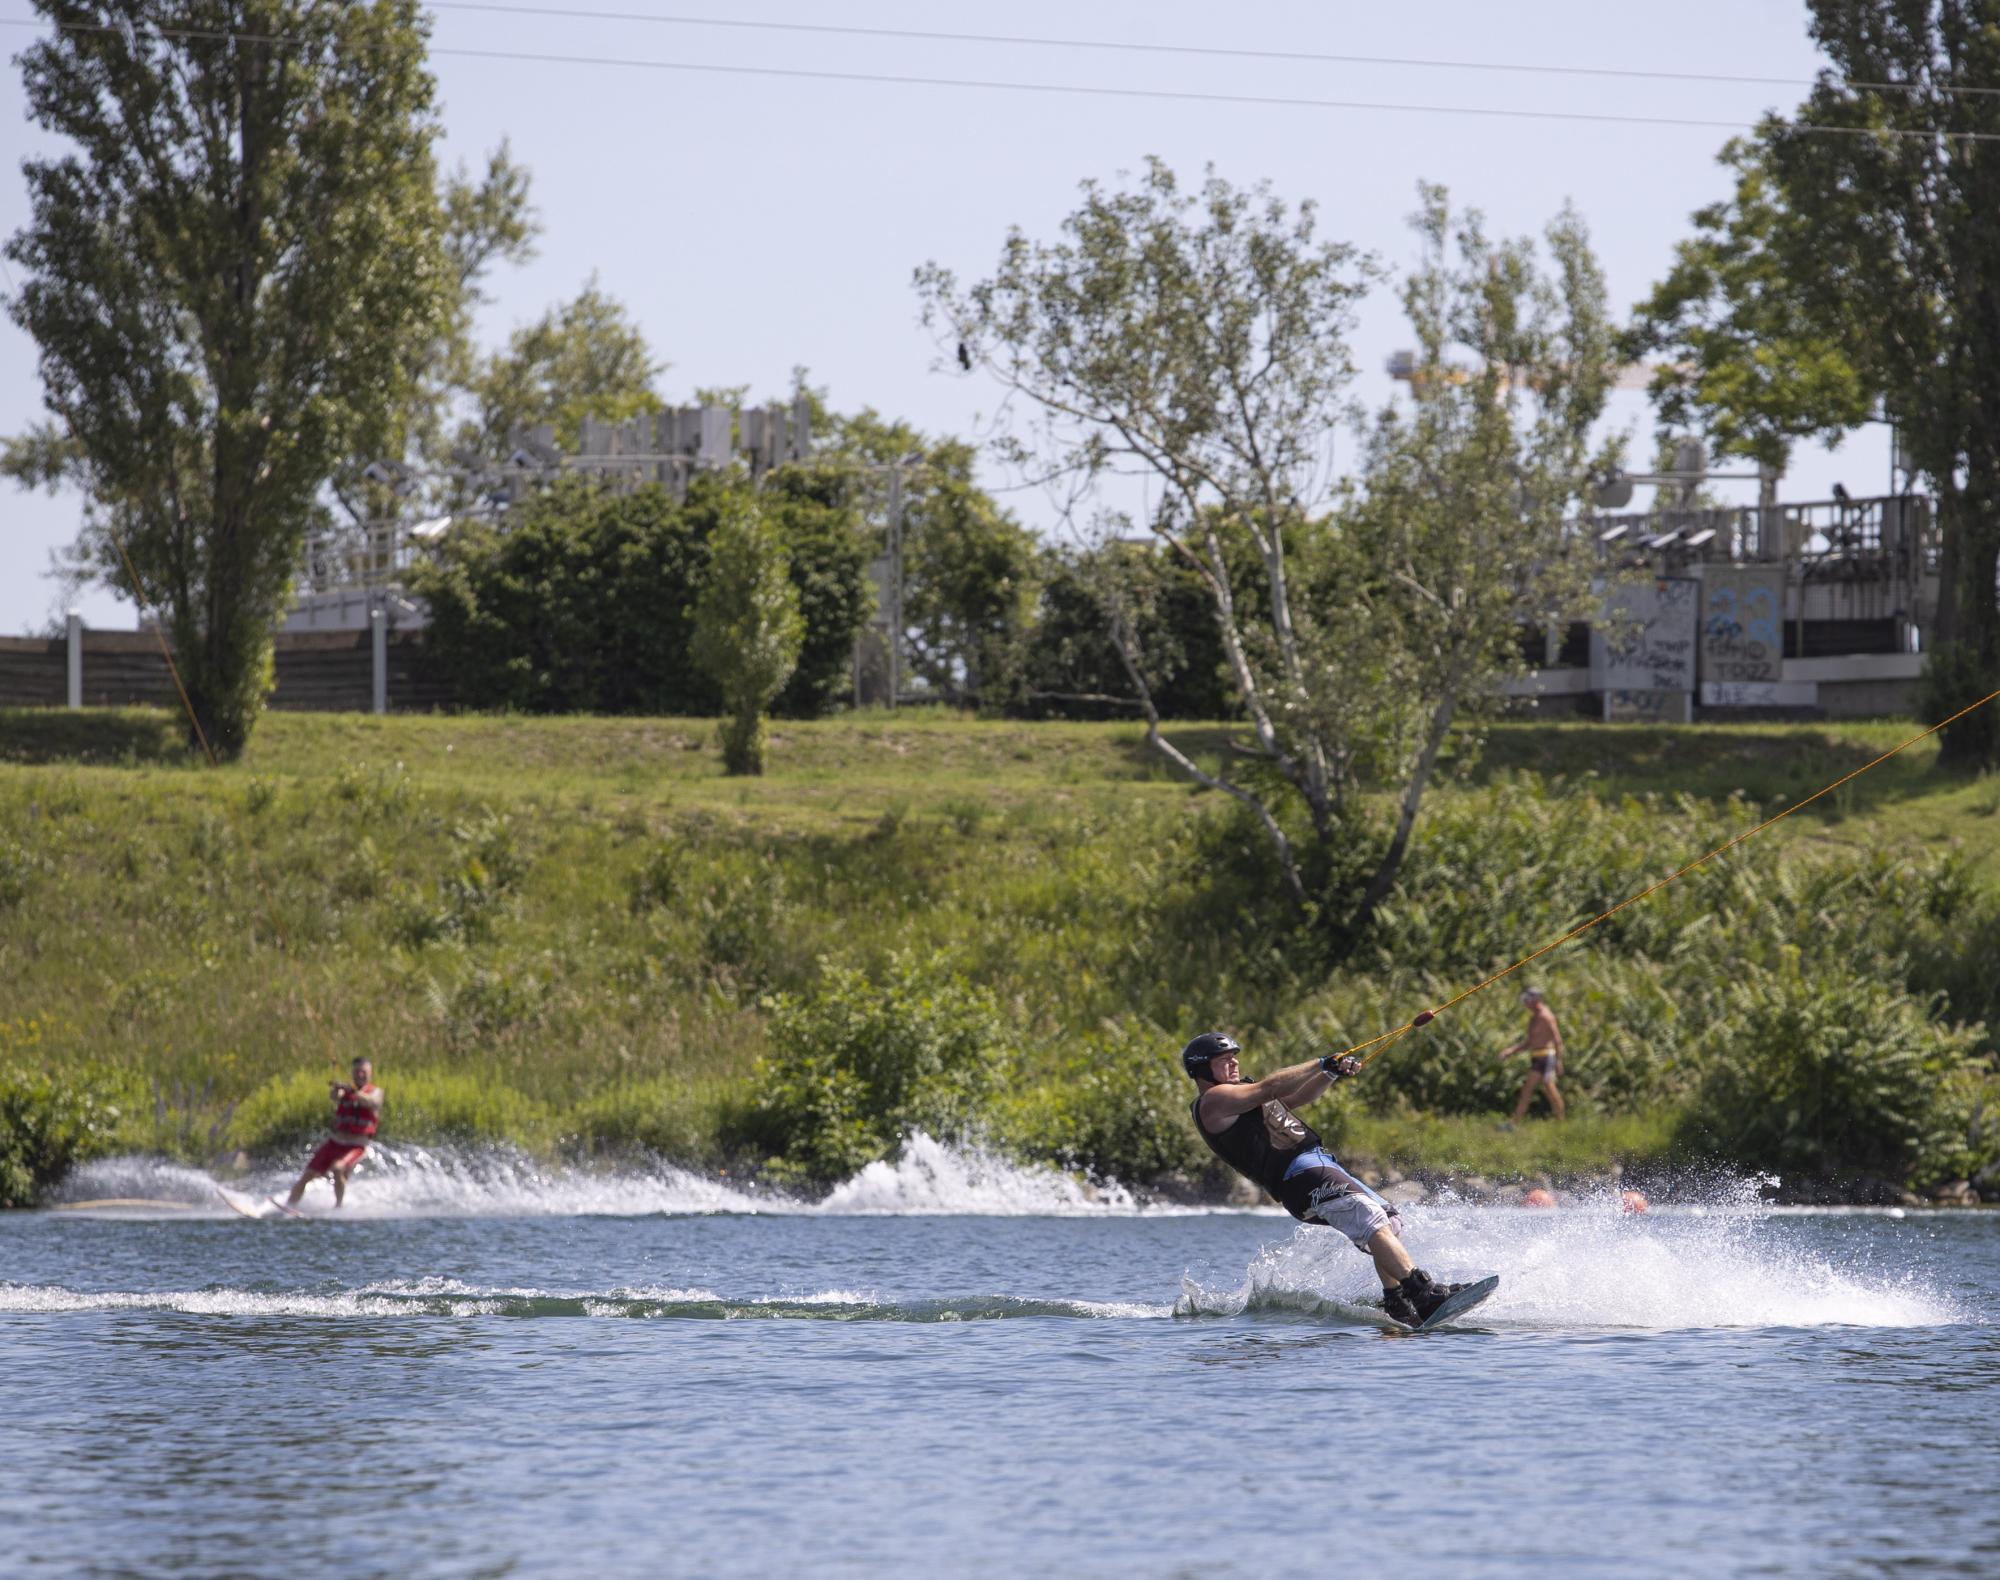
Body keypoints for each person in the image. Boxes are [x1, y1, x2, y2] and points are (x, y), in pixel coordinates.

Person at [1183, 1031, 1464, 1327]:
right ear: (1202, 1070)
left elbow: (1296, 1096)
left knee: (1389, 1221)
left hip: (1316, 1164)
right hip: (1297, 1175)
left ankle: (1397, 1301)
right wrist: (1320, 1062)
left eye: (1234, 1057)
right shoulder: (1214, 1100)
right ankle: (1424, 1293)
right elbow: (1270, 1087)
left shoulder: (1239, 1096)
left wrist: (1329, 1073)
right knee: (1369, 1218)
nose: (1234, 1063)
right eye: (1224, 1060)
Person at [284, 1057, 384, 1209]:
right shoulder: (345, 1091)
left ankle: (338, 1207)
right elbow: (334, 1096)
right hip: (334, 1143)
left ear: (370, 1073)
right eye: (357, 1071)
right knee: (307, 1175)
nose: (360, 1075)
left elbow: (372, 1102)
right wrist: (337, 1089)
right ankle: (288, 1206)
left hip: (356, 1146)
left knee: (338, 1169)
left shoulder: (376, 1092)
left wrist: (353, 1091)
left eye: (363, 1072)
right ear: (352, 1073)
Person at [1498, 986, 1566, 1126]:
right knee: (1527, 1090)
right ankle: (1514, 1124)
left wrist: (1559, 1061)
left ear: (1536, 1001)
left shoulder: (1546, 1017)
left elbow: (1557, 1040)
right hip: (1536, 1058)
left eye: (1528, 1001)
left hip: (1547, 1057)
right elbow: (1529, 1043)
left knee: (1549, 1089)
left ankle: (1561, 1122)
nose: (1526, 1004)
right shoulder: (1533, 1018)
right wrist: (1510, 1051)